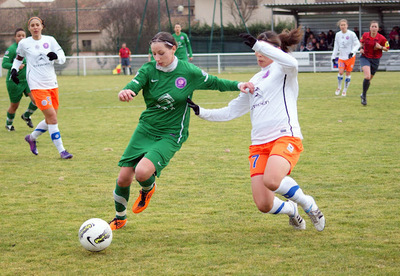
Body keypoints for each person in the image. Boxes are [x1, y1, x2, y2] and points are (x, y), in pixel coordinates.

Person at [108, 31, 253, 230]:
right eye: (154, 54)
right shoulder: (148, 70)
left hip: (172, 132)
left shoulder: (188, 71)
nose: (157, 59)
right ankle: (120, 218)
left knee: (142, 172)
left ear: (173, 49)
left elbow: (215, 82)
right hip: (147, 128)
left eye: (161, 53)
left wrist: (239, 85)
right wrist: (125, 91)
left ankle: (148, 188)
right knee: (124, 177)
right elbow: (134, 84)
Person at [187, 28, 326, 232]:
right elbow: (231, 111)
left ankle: (309, 204)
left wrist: (259, 44)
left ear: (275, 49)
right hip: (259, 145)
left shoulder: (285, 68)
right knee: (263, 204)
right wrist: (201, 111)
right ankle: (291, 210)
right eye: (256, 51)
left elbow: (292, 62)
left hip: (285, 136)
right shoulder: (255, 80)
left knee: (272, 180)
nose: (258, 54)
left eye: (262, 50)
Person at [10, 16, 72, 159]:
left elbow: (62, 57)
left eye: (38, 25)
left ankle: (31, 138)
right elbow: (18, 58)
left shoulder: (50, 40)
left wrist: (55, 56)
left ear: (42, 26)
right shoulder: (25, 43)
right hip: (36, 85)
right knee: (52, 118)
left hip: (52, 84)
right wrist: (14, 69)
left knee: (51, 118)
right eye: (32, 25)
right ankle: (62, 151)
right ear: (29, 28)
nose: (35, 27)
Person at [2, 28, 38, 131]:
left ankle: (26, 116)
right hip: (14, 82)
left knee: (37, 100)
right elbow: (4, 64)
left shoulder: (29, 48)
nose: (21, 37)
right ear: (15, 37)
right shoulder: (12, 49)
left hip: (27, 81)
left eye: (23, 35)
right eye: (19, 36)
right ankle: (9, 125)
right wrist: (16, 66)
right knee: (14, 106)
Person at [359, 20, 389, 105]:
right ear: (370, 28)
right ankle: (364, 96)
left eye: (375, 27)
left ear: (378, 28)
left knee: (369, 80)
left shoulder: (382, 38)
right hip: (365, 57)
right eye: (372, 26)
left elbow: (387, 47)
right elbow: (361, 42)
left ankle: (362, 94)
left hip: (375, 60)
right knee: (367, 76)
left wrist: (381, 47)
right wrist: (360, 48)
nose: (374, 28)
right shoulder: (365, 35)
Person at [331, 19, 360, 97]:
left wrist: (352, 52)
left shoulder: (352, 34)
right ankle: (339, 87)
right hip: (341, 57)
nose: (343, 26)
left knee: (347, 74)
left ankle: (345, 90)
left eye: (344, 25)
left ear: (347, 25)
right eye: (341, 25)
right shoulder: (337, 35)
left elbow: (358, 44)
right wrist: (333, 57)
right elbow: (336, 46)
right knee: (340, 72)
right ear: (339, 26)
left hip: (350, 58)